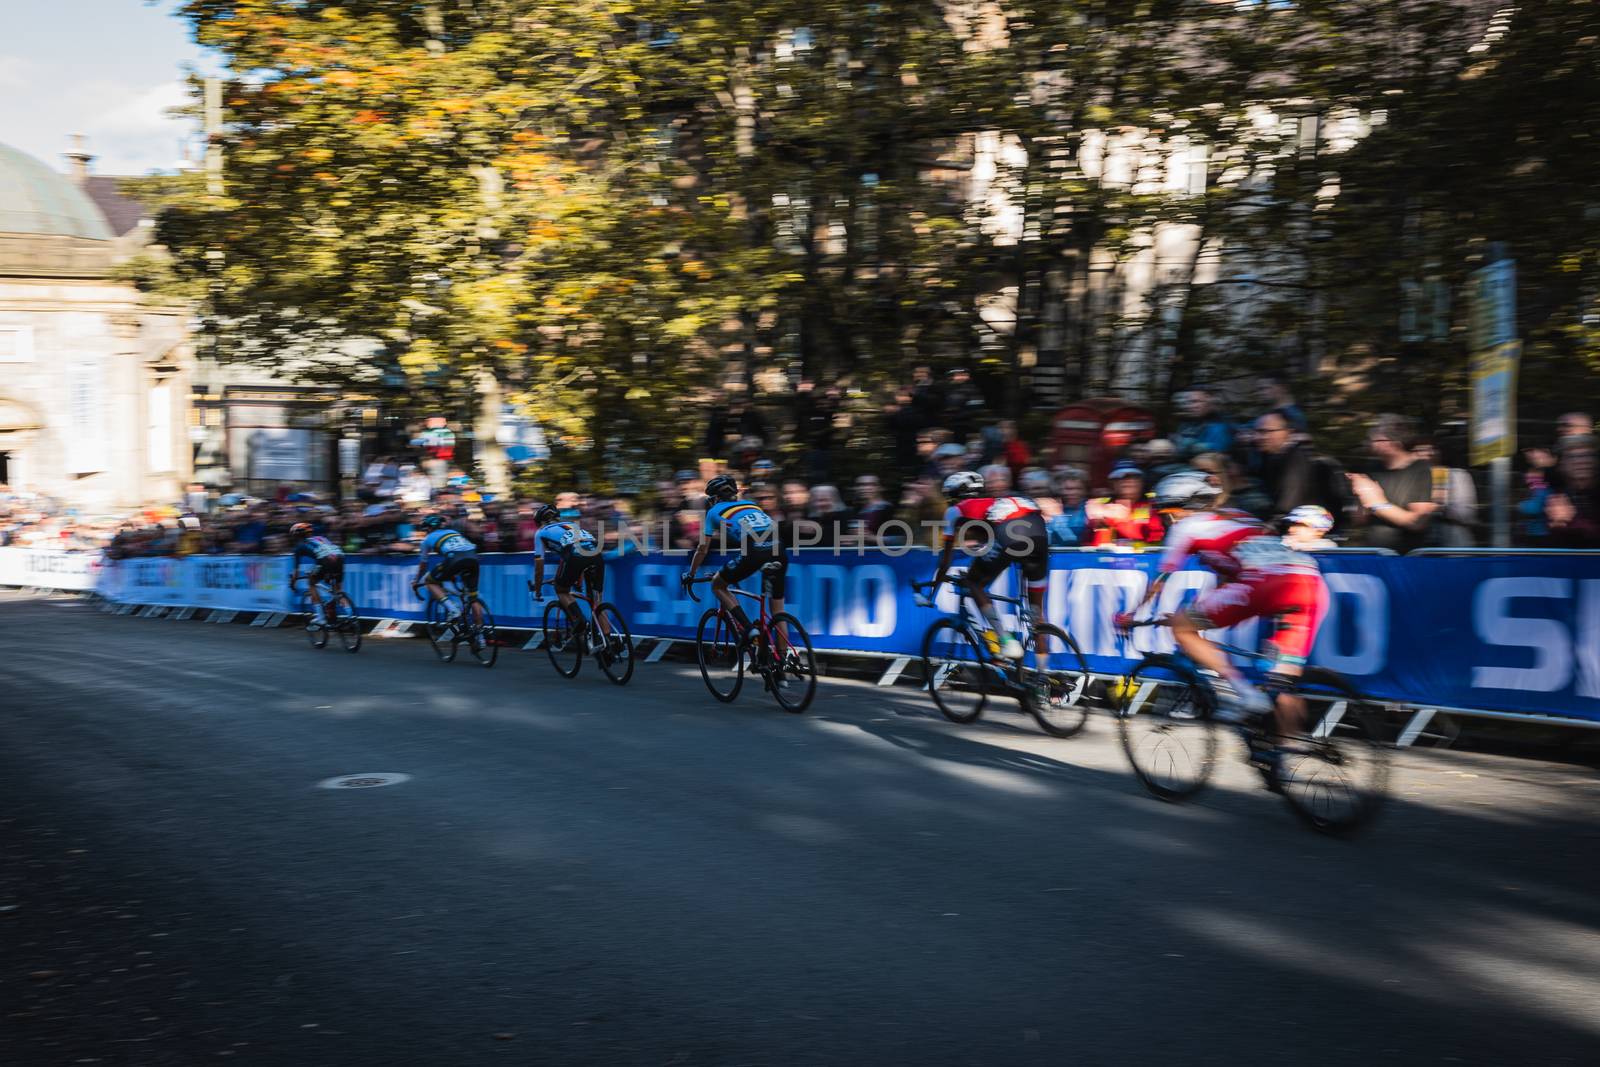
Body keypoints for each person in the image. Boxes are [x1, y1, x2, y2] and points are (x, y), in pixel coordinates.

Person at [1115, 471, 1330, 755]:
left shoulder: (1188, 525)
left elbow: (1161, 579)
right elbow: (1231, 576)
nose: (1168, 520)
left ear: (1179, 507)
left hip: (1268, 582)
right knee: (1282, 681)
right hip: (1310, 583)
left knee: (1182, 628)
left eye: (1167, 512)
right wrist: (1195, 615)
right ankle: (1286, 756)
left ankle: (1242, 694)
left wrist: (1133, 614)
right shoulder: (1237, 516)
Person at [927, 471, 1052, 697]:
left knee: (973, 582)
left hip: (1011, 533)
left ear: (953, 496)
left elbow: (945, 560)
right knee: (1036, 616)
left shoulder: (955, 510)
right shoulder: (996, 501)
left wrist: (933, 590)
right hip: (1040, 532)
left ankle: (1005, 640)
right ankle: (1042, 680)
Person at [682, 475, 790, 665]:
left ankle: (749, 629)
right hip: (778, 549)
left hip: (754, 551)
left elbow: (702, 549)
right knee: (777, 612)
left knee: (717, 585)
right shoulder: (752, 505)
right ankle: (783, 662)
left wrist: (690, 574)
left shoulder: (713, 511)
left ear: (714, 498)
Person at [530, 501, 619, 655]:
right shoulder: (572, 525)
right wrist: (576, 580)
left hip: (575, 555)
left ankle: (579, 620)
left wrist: (537, 590)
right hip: (596, 555)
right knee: (597, 603)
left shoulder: (541, 532)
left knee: (561, 589)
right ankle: (609, 642)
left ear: (540, 522)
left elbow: (539, 567)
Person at [1349, 414, 1436, 553]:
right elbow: (1360, 520)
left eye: (1376, 439)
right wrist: (1360, 496)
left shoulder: (1420, 469)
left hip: (1405, 557)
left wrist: (1377, 503)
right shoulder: (1372, 467)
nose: (1372, 444)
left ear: (1393, 442)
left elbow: (1418, 522)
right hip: (1374, 554)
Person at [412, 513, 483, 623]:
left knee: (429, 581)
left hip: (454, 559)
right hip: (473, 558)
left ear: (428, 528)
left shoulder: (426, 540)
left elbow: (423, 565)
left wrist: (416, 581)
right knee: (473, 598)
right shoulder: (454, 532)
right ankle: (480, 637)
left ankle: (452, 609)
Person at [1254, 411, 1315, 522]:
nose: (1259, 437)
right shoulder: (1268, 455)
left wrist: (1276, 521)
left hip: (1302, 525)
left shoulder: (1296, 458)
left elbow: (1291, 496)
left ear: (1288, 433)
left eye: (1266, 431)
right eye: (1257, 431)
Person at [1085, 464, 1164, 547]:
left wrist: (1124, 521)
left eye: (1133, 477)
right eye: (1121, 477)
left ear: (1141, 482)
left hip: (1145, 558)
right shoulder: (1101, 505)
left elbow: (1155, 542)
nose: (1127, 481)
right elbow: (1099, 544)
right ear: (1113, 483)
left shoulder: (1149, 507)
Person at [289, 521, 345, 628]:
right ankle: (350, 615)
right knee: (338, 591)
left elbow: (296, 571)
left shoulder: (299, 547)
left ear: (296, 536)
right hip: (340, 557)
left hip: (324, 560)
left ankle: (320, 617)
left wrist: (292, 583)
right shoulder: (321, 538)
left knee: (311, 582)